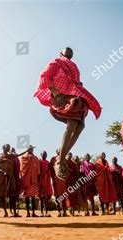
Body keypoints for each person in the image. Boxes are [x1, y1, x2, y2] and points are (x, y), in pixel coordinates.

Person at [34, 47, 102, 179]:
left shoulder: (74, 67)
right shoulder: (56, 62)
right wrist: (56, 94)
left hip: (75, 94)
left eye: (72, 50)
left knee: (81, 125)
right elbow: (45, 76)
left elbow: (76, 82)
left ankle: (62, 156)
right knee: (71, 124)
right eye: (67, 50)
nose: (70, 51)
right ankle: (60, 160)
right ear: (61, 53)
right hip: (62, 96)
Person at [0, 144, 17, 217]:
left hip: (10, 175)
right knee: (2, 193)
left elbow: (18, 154)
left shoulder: (10, 155)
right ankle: (5, 211)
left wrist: (27, 150)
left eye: (9, 147)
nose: (8, 148)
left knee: (12, 192)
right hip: (1, 175)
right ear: (3, 147)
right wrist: (2, 172)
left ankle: (13, 211)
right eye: (6, 146)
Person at [19, 145, 40, 217]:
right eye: (29, 148)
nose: (30, 149)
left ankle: (33, 212)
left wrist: (38, 180)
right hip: (25, 179)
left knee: (33, 197)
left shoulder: (36, 158)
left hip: (33, 180)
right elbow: (22, 168)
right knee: (27, 197)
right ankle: (28, 212)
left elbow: (38, 170)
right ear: (27, 149)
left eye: (32, 148)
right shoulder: (23, 157)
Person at [50, 149, 68, 217]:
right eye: (58, 150)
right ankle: (59, 212)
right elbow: (51, 170)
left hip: (62, 180)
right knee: (57, 196)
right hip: (56, 180)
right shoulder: (53, 159)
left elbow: (66, 168)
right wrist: (53, 178)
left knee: (63, 195)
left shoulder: (64, 159)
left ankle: (64, 211)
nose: (59, 151)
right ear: (56, 151)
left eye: (60, 150)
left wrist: (65, 176)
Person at [39, 151, 53, 217]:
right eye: (43, 154)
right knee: (41, 198)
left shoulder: (48, 162)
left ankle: (46, 211)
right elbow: (38, 171)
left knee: (47, 197)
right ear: (41, 155)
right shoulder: (39, 162)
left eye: (46, 154)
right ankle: (41, 212)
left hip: (47, 182)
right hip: (41, 182)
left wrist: (48, 172)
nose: (45, 155)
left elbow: (50, 170)